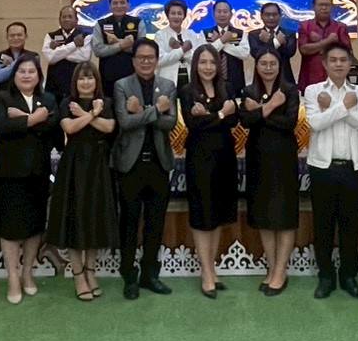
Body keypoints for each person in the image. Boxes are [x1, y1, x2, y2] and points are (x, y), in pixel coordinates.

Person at [112, 39, 178, 299]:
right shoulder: (122, 85)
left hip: (159, 163)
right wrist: (156, 111)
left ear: (157, 60)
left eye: (150, 57)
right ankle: (129, 275)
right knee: (129, 221)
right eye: (141, 57)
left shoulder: (168, 86)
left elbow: (170, 122)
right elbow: (125, 122)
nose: (146, 61)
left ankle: (150, 274)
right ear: (134, 60)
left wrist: (143, 111)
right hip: (131, 163)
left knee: (155, 222)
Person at [0, 57, 60, 304]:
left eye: (32, 71)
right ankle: (12, 276)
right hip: (10, 173)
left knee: (34, 226)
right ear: (14, 75)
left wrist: (21, 119)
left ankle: (28, 273)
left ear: (39, 76)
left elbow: (52, 127)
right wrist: (33, 119)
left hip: (38, 173)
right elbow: (1, 127)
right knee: (10, 228)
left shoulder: (48, 99)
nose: (27, 75)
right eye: (22, 71)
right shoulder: (2, 98)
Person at [47, 62, 118, 301]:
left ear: (96, 81)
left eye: (90, 78)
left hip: (99, 164)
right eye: (81, 78)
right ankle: (78, 276)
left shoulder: (105, 103)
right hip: (75, 164)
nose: (86, 82)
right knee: (75, 219)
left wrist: (88, 114)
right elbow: (70, 127)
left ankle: (91, 272)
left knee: (95, 218)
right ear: (75, 82)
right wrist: (92, 114)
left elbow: (109, 127)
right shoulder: (68, 103)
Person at [305, 43, 358, 298]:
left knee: (350, 225)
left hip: (351, 167)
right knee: (323, 225)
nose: (339, 64)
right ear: (325, 64)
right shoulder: (313, 91)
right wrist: (344, 107)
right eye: (333, 60)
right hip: (323, 167)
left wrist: (332, 107)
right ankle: (325, 276)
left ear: (350, 63)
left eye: (343, 59)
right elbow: (315, 123)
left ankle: (349, 276)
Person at [180, 44, 240, 298]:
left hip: (224, 155)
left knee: (217, 213)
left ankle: (212, 269)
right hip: (199, 157)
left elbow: (235, 120)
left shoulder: (227, 87)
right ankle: (205, 273)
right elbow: (194, 124)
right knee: (202, 213)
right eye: (203, 62)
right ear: (196, 65)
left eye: (212, 62)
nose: (207, 67)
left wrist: (211, 115)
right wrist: (222, 113)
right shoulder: (187, 90)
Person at [240, 47, 301, 296]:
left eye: (272, 63)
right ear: (256, 66)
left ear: (279, 66)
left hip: (283, 157)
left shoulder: (290, 90)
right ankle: (273, 267)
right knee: (263, 214)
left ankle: (280, 270)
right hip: (258, 157)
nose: (268, 67)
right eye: (263, 63)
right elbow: (245, 121)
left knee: (284, 215)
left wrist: (260, 110)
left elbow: (289, 123)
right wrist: (271, 106)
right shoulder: (248, 91)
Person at [297, 0, 352, 92]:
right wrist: (328, 41)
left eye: (327, 5)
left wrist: (317, 46)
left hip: (336, 80)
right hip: (310, 79)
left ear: (332, 7)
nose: (324, 8)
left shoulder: (340, 27)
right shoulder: (305, 26)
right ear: (314, 7)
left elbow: (347, 52)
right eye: (320, 5)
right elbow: (304, 50)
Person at [92, 0, 142, 93]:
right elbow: (98, 50)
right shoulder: (100, 24)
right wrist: (122, 44)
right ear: (110, 6)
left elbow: (141, 50)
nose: (119, 6)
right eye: (115, 3)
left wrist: (116, 41)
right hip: (107, 78)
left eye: (122, 2)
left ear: (128, 5)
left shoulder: (138, 22)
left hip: (132, 76)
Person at [41, 5, 92, 103]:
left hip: (76, 82)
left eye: (70, 16)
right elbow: (50, 58)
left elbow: (84, 57)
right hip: (54, 83)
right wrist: (74, 45)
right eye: (64, 17)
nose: (66, 19)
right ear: (59, 20)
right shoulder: (50, 36)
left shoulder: (85, 36)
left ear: (76, 20)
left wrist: (57, 51)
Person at [204, 0, 250, 98]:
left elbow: (244, 54)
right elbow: (205, 53)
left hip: (236, 81)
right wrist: (222, 41)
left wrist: (221, 42)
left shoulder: (241, 33)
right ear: (213, 14)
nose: (222, 14)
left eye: (225, 12)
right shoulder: (205, 33)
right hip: (211, 80)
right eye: (219, 11)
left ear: (231, 14)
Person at [153, 0, 203, 88]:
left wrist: (183, 50)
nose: (176, 16)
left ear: (184, 16)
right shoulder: (160, 35)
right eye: (173, 13)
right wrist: (182, 49)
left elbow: (197, 61)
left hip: (190, 80)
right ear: (167, 15)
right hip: (167, 81)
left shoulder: (192, 34)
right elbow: (159, 60)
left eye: (179, 13)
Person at [249, 1, 297, 74]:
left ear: (280, 16)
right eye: (267, 15)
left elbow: (290, 53)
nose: (271, 17)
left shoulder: (289, 34)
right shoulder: (254, 35)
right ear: (261, 16)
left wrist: (267, 43)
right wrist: (277, 43)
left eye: (274, 14)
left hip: (284, 77)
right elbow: (256, 54)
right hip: (261, 77)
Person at [0, 21, 39, 87]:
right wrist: (16, 63)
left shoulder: (34, 56)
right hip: (3, 92)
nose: (15, 38)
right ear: (7, 37)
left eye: (19, 35)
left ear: (26, 36)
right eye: (12, 35)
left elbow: (36, 79)